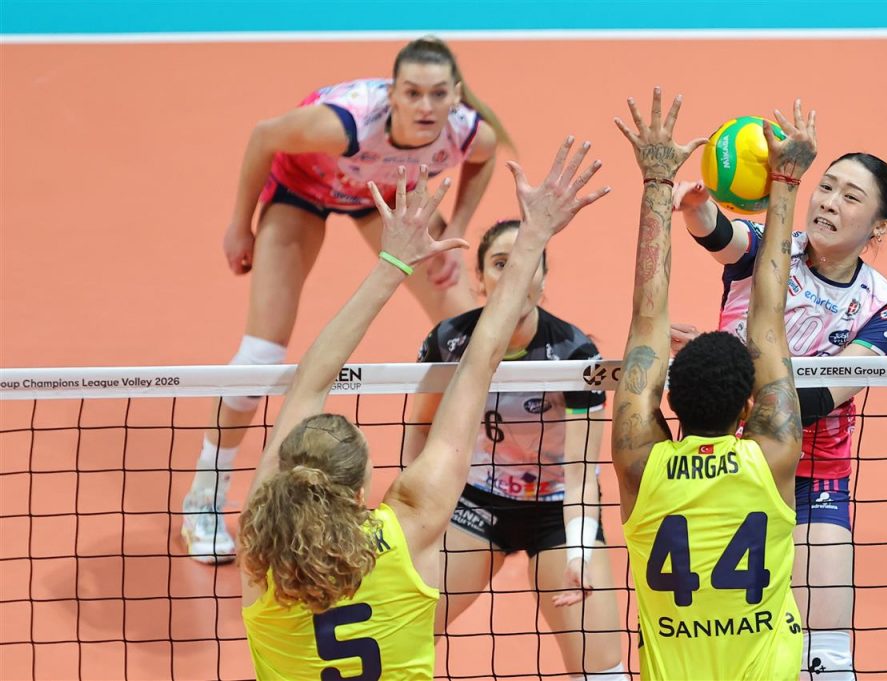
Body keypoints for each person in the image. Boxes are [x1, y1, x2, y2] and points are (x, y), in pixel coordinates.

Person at [238, 141, 609, 680]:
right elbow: (478, 366)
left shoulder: (258, 557)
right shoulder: (405, 535)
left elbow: (306, 387)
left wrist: (391, 265)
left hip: (551, 509)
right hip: (479, 509)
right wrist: (533, 239)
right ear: (362, 483)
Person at [183, 37, 511, 563]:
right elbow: (264, 136)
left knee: (469, 331)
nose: (425, 106)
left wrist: (460, 225)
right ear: (392, 94)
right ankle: (205, 495)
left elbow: (485, 157)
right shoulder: (344, 125)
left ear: (455, 96)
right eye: (412, 93)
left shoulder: (469, 130)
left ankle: (465, 475)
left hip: (385, 198)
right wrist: (240, 225)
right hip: (302, 192)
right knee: (261, 354)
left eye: (437, 94)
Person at [672, 134, 887, 680]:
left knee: (826, 660)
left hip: (813, 476)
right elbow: (721, 233)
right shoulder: (769, 248)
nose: (829, 202)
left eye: (851, 196)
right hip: (725, 466)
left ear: (879, 227)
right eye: (825, 187)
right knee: (720, 647)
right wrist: (695, 204)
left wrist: (719, 369)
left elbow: (821, 399)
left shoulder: (886, 307)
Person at [611, 90, 816, 679]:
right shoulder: (772, 456)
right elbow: (768, 322)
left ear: (668, 397)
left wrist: (658, 182)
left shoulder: (640, 463)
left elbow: (646, 324)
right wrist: (785, 182)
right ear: (749, 407)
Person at [403, 218, 626, 680]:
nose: (515, 273)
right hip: (476, 505)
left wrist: (579, 553)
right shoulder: (449, 343)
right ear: (480, 278)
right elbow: (420, 426)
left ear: (543, 277)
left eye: (526, 262)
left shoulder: (574, 354)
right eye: (501, 263)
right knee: (400, 631)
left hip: (557, 510)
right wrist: (415, 518)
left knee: (604, 671)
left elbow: (582, 475)